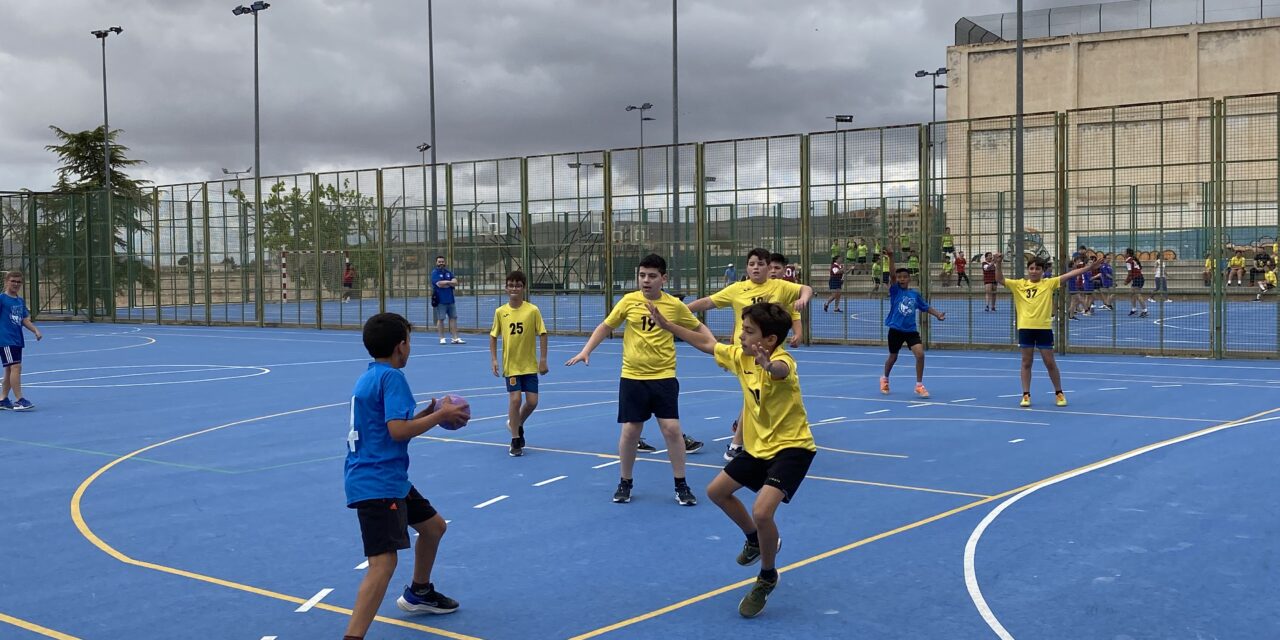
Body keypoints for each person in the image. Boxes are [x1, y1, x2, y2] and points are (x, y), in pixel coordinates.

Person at [647, 301, 816, 619]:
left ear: (769, 341)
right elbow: (708, 344)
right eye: (742, 328)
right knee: (716, 492)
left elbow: (780, 372)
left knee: (763, 511)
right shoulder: (741, 357)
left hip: (793, 448)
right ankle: (754, 539)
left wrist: (769, 365)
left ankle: (767, 576)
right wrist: (669, 327)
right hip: (758, 447)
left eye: (749, 331)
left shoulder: (782, 363)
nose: (740, 335)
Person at [343, 312, 470, 640]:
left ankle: (420, 592)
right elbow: (398, 431)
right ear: (401, 347)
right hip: (379, 483)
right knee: (382, 565)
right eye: (409, 341)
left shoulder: (368, 377)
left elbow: (389, 428)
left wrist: (424, 416)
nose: (409, 347)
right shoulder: (392, 378)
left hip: (385, 478)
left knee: (433, 527)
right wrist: (441, 414)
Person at [565, 254, 708, 505]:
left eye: (652, 276)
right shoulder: (628, 301)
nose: (646, 280)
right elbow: (605, 326)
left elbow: (697, 328)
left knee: (672, 430)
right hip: (632, 377)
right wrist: (587, 350)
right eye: (642, 275)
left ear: (663, 278)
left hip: (663, 376)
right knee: (631, 431)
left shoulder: (674, 306)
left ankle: (681, 484)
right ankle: (625, 482)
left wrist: (716, 348)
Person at [688, 248, 813, 460]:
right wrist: (681, 309)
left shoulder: (780, 286)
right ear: (746, 267)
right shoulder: (738, 289)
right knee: (753, 395)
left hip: (769, 352)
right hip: (742, 352)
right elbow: (709, 302)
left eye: (761, 264)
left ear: (768, 267)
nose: (756, 267)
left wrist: (804, 298)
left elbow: (806, 288)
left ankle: (739, 442)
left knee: (755, 395)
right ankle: (742, 440)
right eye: (752, 264)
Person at [992, 253, 1096, 407]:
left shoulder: (1048, 283)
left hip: (1043, 328)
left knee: (1050, 362)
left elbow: (1069, 274)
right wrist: (998, 264)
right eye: (1031, 268)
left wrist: (1088, 268)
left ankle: (1059, 393)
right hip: (1025, 328)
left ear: (1042, 271)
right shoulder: (1019, 284)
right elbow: (1000, 279)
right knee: (1026, 362)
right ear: (1028, 270)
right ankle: (1026, 395)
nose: (1034, 271)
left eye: (1037, 269)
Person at [489, 271, 549, 457]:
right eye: (511, 285)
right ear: (506, 288)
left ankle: (516, 423)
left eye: (518, 285)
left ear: (524, 288)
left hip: (529, 365)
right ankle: (515, 439)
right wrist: (494, 359)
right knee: (515, 400)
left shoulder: (532, 310)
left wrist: (543, 360)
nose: (514, 288)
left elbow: (543, 334)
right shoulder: (501, 312)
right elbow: (493, 336)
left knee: (532, 402)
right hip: (512, 365)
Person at [879, 250, 945, 398]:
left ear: (909, 279)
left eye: (905, 277)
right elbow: (891, 274)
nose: (902, 279)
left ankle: (919, 385)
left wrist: (937, 314)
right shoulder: (895, 291)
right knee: (893, 357)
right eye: (899, 277)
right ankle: (885, 379)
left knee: (920, 355)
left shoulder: (914, 295)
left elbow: (925, 307)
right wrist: (891, 257)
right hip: (895, 329)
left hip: (910, 330)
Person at [0, 271, 42, 411]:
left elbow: (24, 319)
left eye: (18, 282)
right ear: (7, 281)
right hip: (6, 339)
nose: (16, 284)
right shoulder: (2, 299)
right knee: (16, 367)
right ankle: (19, 399)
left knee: (9, 369)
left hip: (17, 339)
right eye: (13, 281)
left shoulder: (19, 301)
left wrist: (35, 330)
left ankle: (3, 399)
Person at [430, 255, 464, 344]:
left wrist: (447, 283)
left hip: (451, 300)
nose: (441, 263)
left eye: (442, 261)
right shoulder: (434, 273)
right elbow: (439, 284)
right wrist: (449, 282)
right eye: (439, 262)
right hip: (440, 300)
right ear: (436, 263)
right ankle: (442, 338)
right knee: (441, 319)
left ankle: (455, 338)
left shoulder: (448, 272)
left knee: (453, 318)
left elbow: (455, 282)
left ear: (445, 262)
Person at [1123, 248, 1148, 317]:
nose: (1123, 253)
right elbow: (1138, 268)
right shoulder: (1133, 259)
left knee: (1138, 295)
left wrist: (1126, 281)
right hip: (1138, 278)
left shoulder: (1128, 260)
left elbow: (1130, 273)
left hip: (1138, 278)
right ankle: (1134, 309)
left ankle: (1144, 310)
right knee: (1132, 293)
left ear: (1127, 254)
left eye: (1124, 252)